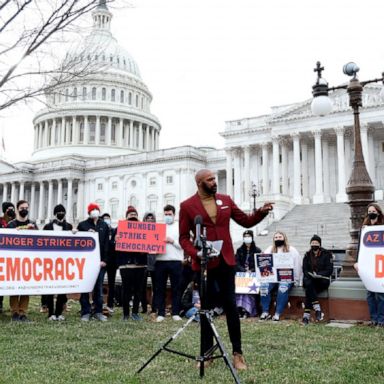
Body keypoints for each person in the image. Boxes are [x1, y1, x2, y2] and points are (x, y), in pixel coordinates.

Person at [179, 169, 273, 371]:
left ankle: (237, 354)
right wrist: (196, 253)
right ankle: (206, 354)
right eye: (210, 180)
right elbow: (183, 238)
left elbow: (246, 221)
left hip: (225, 262)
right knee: (205, 309)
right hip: (204, 264)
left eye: (214, 179)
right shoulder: (187, 206)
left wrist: (261, 213)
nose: (214, 182)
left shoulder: (225, 200)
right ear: (199, 183)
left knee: (231, 307)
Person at [260, 231, 302, 321]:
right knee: (264, 286)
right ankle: (265, 312)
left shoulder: (292, 250)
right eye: (276, 237)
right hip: (273, 277)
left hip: (286, 277)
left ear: (284, 238)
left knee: (282, 287)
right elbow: (264, 264)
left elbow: (298, 265)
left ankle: (278, 313)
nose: (278, 239)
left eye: (280, 237)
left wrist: (297, 280)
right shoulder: (269, 249)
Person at [7, 200, 38, 322]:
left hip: (29, 260)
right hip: (14, 260)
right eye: (22, 208)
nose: (24, 209)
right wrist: (24, 228)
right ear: (17, 209)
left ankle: (23, 312)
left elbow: (40, 238)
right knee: (15, 287)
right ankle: (14, 312)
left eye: (26, 207)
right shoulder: (11, 224)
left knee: (26, 287)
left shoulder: (33, 224)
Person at [77, 203, 109, 322]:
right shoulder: (83, 225)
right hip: (86, 263)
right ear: (89, 212)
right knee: (85, 288)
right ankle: (85, 311)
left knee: (98, 289)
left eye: (96, 209)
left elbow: (106, 244)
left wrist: (105, 260)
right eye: (92, 210)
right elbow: (78, 243)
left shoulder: (104, 225)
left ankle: (98, 311)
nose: (95, 211)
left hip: (100, 262)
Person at [355, 203, 384, 327]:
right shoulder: (364, 229)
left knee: (381, 295)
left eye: (373, 210)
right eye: (369, 211)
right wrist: (357, 262)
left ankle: (381, 321)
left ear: (378, 212)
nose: (371, 212)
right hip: (369, 266)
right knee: (370, 295)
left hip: (380, 265)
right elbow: (360, 248)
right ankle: (374, 319)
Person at [116, 206, 147, 321]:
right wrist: (116, 239)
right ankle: (125, 314)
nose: (133, 216)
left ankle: (135, 313)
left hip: (140, 264)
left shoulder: (144, 229)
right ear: (126, 216)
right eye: (131, 214)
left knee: (138, 290)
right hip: (126, 265)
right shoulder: (119, 228)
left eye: (135, 214)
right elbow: (113, 245)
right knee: (126, 290)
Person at [42, 204, 73, 321]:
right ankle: (50, 313)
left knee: (62, 288)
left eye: (62, 211)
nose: (61, 213)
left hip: (64, 261)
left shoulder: (69, 226)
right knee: (50, 288)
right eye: (58, 211)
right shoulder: (47, 226)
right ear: (55, 213)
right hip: (50, 261)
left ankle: (59, 312)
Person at [154, 204, 184, 322]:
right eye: (165, 214)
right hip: (160, 261)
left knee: (176, 288)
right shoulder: (158, 227)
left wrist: (172, 241)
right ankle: (161, 312)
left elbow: (184, 244)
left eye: (169, 214)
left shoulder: (180, 227)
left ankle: (175, 312)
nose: (167, 216)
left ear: (174, 215)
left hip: (175, 261)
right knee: (160, 288)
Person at [302, 235, 333, 325]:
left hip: (322, 280)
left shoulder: (327, 254)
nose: (314, 244)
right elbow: (304, 269)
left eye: (316, 243)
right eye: (312, 243)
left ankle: (306, 315)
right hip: (310, 279)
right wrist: (311, 275)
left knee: (309, 290)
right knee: (309, 284)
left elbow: (329, 270)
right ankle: (317, 309)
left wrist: (318, 275)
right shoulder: (307, 255)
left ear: (320, 244)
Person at [235, 230, 261, 318]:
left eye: (248, 236)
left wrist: (251, 270)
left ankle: (248, 310)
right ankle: (239, 309)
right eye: (245, 236)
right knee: (240, 289)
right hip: (241, 275)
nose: (247, 238)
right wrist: (243, 270)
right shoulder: (239, 250)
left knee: (249, 290)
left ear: (252, 237)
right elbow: (236, 263)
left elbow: (259, 263)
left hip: (253, 275)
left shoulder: (257, 250)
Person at [0, 202, 15, 313]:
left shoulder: (15, 222)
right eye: (9, 209)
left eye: (13, 209)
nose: (11, 211)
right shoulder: (1, 221)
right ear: (5, 210)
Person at [141, 212, 157, 317]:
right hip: (143, 262)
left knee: (156, 287)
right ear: (144, 220)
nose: (150, 219)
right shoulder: (140, 231)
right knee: (142, 287)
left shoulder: (158, 231)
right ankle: (143, 307)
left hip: (155, 262)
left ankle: (154, 307)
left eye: (152, 218)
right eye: (148, 218)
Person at [101, 213, 117, 314]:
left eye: (108, 218)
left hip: (112, 261)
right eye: (105, 219)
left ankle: (110, 304)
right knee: (99, 283)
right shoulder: (101, 230)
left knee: (112, 283)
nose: (107, 220)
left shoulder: (114, 230)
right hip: (102, 261)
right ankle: (100, 303)